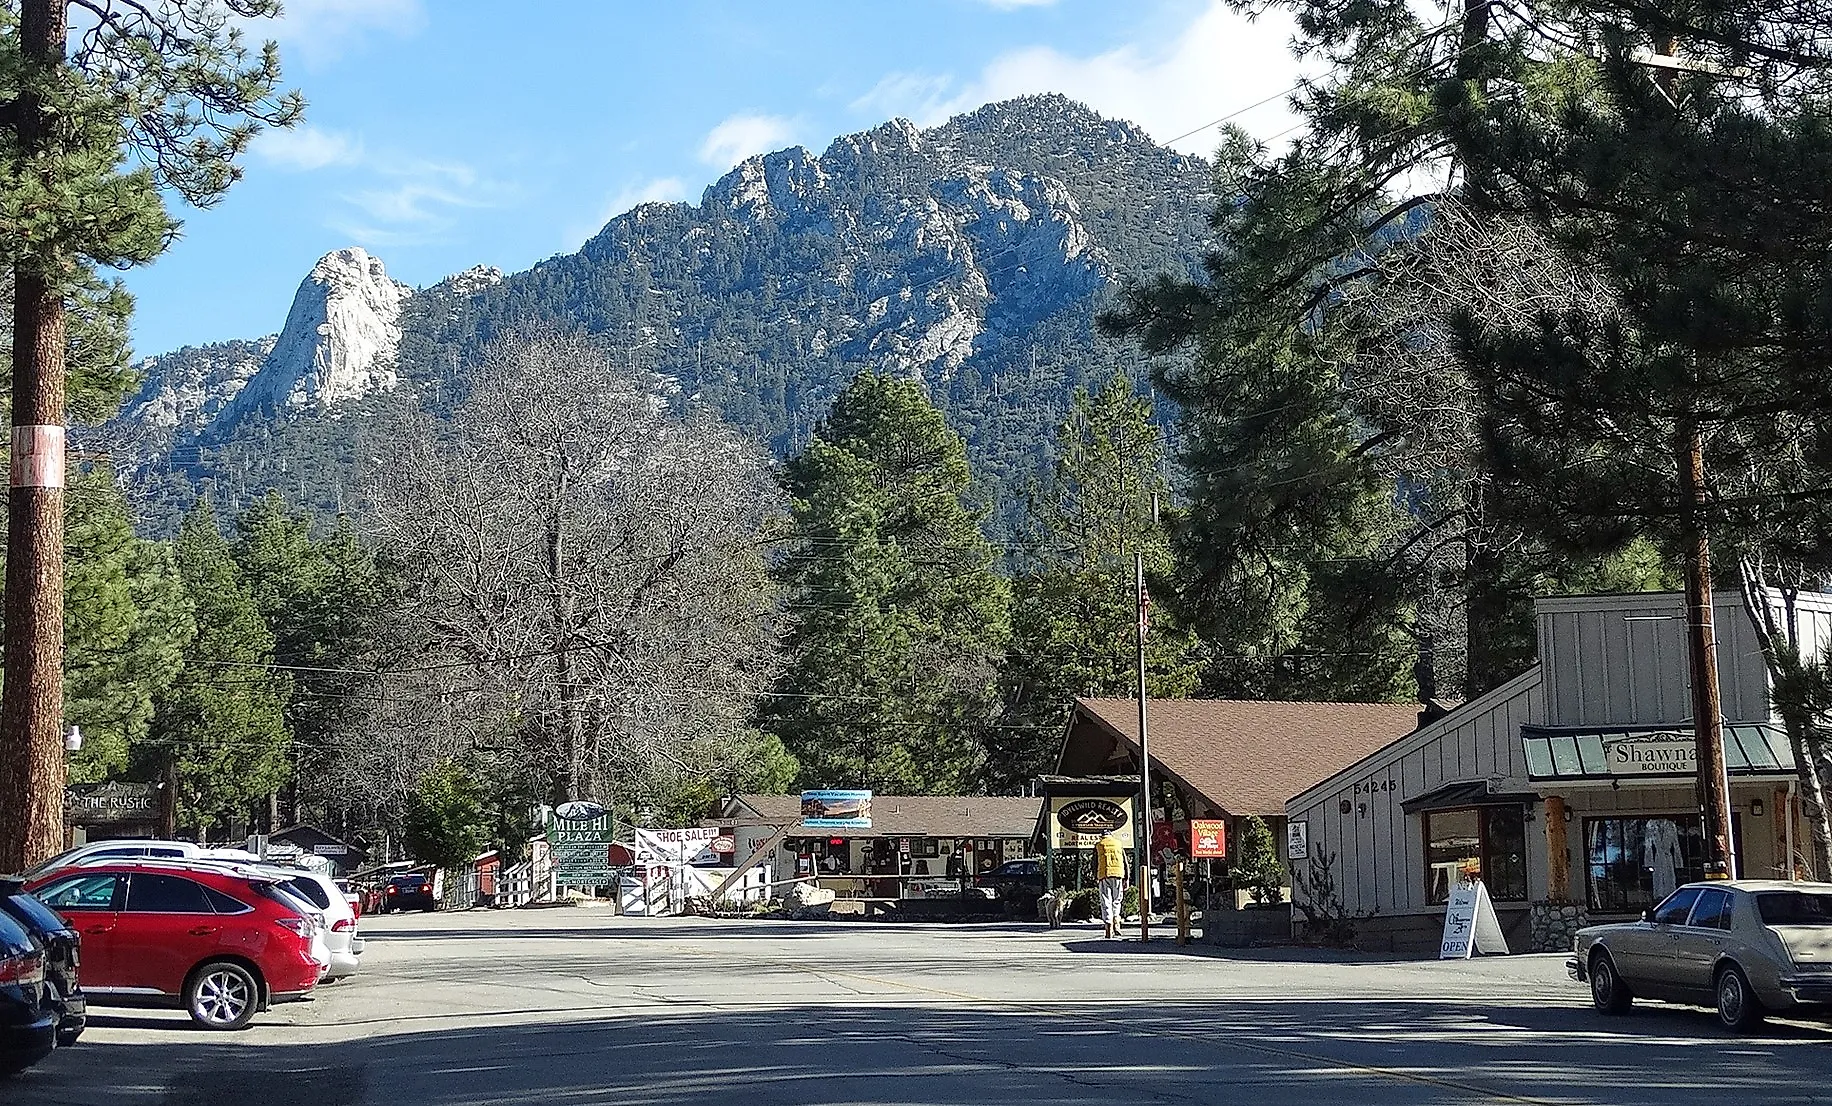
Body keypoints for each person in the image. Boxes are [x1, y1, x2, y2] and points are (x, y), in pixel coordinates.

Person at [1095, 831, 1127, 940]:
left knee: (1106, 901)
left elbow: (1094, 862)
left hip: (1104, 874)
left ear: (1102, 836)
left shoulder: (1099, 845)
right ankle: (1116, 921)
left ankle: (1108, 927)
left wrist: (1096, 876)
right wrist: (1126, 877)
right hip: (1118, 874)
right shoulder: (1118, 844)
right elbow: (1125, 861)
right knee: (1117, 900)